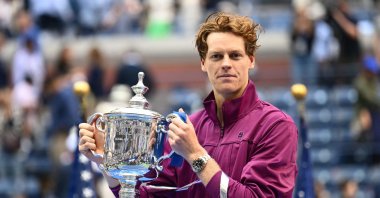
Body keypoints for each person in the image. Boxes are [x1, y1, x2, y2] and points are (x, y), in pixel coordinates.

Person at [78, 12, 298, 197]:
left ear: (251, 60)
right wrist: (109, 164)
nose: (226, 64)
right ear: (203, 63)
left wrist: (195, 154)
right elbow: (147, 194)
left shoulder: (275, 126)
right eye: (216, 56)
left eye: (235, 55)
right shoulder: (189, 127)